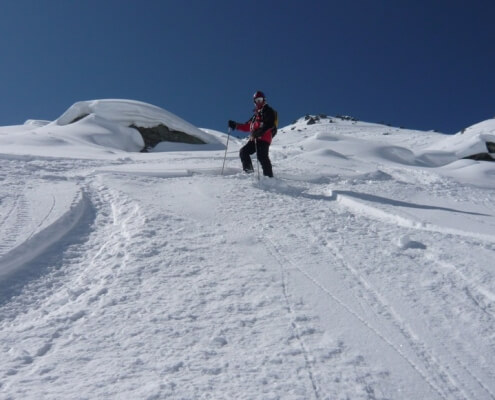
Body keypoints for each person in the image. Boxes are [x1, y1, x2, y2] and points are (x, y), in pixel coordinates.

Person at [228, 91, 276, 177]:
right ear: (254, 102)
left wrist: (258, 133)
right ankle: (249, 173)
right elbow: (247, 126)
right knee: (243, 151)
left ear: (264, 100)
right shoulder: (255, 116)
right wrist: (235, 125)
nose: (259, 102)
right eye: (257, 100)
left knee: (261, 156)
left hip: (264, 138)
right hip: (255, 138)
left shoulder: (268, 111)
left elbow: (269, 124)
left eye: (260, 100)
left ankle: (269, 177)